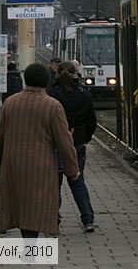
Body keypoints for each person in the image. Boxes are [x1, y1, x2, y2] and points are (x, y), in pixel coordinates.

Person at [0, 63, 79, 240]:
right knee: (36, 205)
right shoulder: (53, 106)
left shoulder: (10, 103)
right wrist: (72, 170)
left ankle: (27, 243)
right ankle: (31, 245)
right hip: (41, 166)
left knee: (19, 204)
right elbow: (64, 141)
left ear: (25, 79)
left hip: (12, 164)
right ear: (46, 81)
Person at [49, 60, 97, 233]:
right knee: (77, 181)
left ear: (58, 73)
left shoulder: (53, 94)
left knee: (55, 182)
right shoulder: (84, 94)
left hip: (56, 145)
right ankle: (88, 219)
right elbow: (92, 121)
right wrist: (84, 138)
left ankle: (54, 219)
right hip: (77, 143)